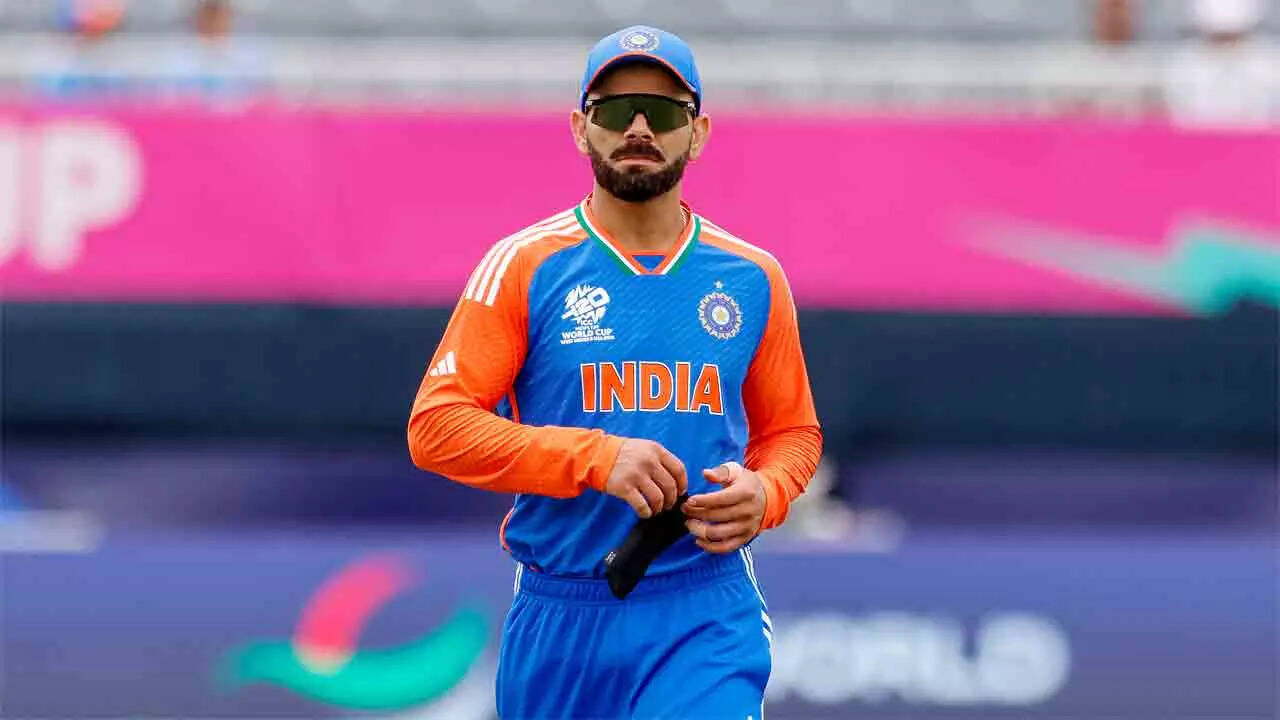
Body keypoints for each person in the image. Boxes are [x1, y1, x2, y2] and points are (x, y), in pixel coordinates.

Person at [407, 25, 822, 719]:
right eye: (615, 110)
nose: (638, 129)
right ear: (580, 128)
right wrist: (597, 458)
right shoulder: (524, 264)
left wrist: (768, 492)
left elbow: (792, 434)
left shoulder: (753, 276)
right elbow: (436, 428)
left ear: (698, 133)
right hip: (559, 613)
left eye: (661, 112)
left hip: (702, 607)